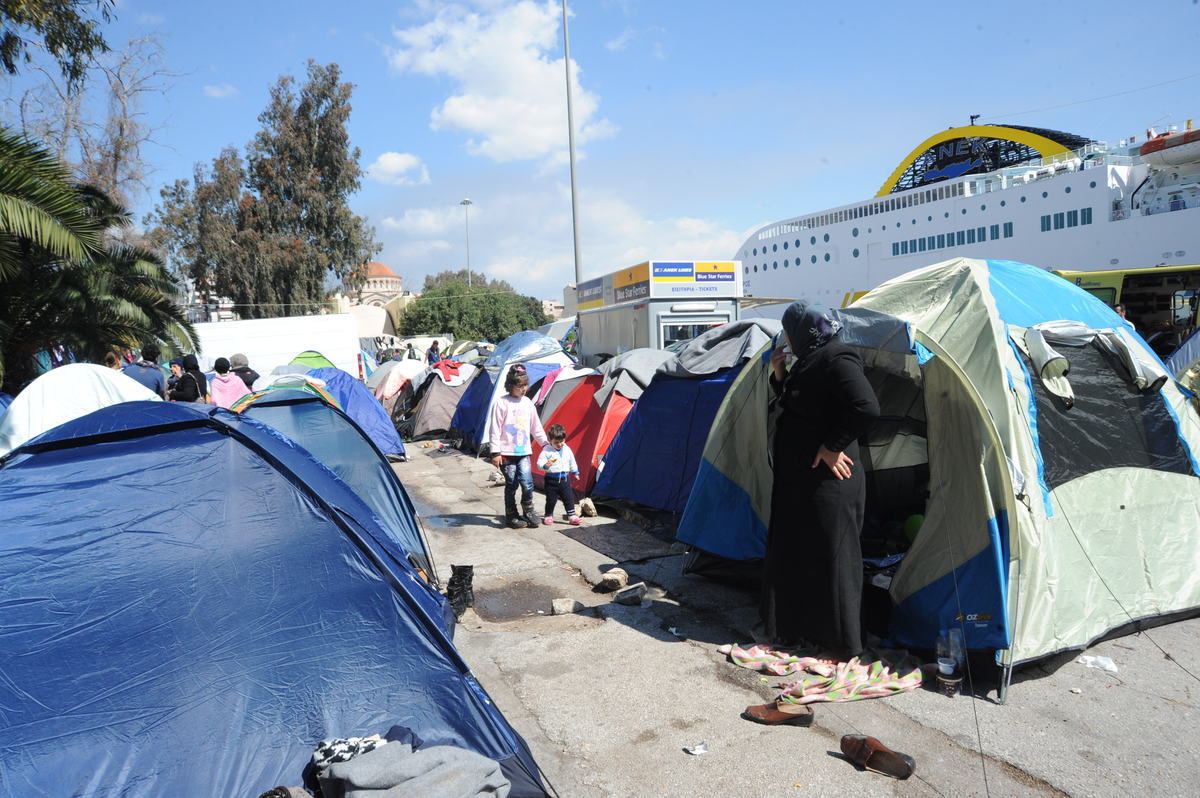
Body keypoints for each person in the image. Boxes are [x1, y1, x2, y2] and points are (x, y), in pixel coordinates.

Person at [761, 299, 879, 664]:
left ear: (806, 331)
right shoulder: (810, 359)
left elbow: (866, 407)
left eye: (789, 333)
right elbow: (798, 406)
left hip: (830, 484)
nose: (786, 340)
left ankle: (846, 645)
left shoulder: (836, 357)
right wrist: (780, 373)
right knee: (807, 556)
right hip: (803, 483)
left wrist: (831, 447)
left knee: (836, 559)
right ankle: (808, 631)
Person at [488, 365, 550, 528]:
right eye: (519, 386)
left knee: (527, 482)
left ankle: (528, 510)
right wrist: (495, 452)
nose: (523, 389)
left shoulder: (528, 403)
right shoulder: (501, 403)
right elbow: (494, 428)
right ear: (510, 385)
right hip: (506, 454)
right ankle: (511, 514)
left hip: (524, 452)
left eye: (525, 385)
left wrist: (545, 443)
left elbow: (536, 426)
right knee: (512, 484)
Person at [537, 424, 581, 526]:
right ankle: (548, 515)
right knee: (551, 499)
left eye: (562, 441)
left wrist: (575, 472)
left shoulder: (567, 449)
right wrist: (545, 465)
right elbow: (539, 463)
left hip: (565, 479)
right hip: (551, 480)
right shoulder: (546, 451)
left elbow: (572, 461)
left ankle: (572, 516)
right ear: (550, 441)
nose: (560, 444)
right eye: (556, 442)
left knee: (569, 498)